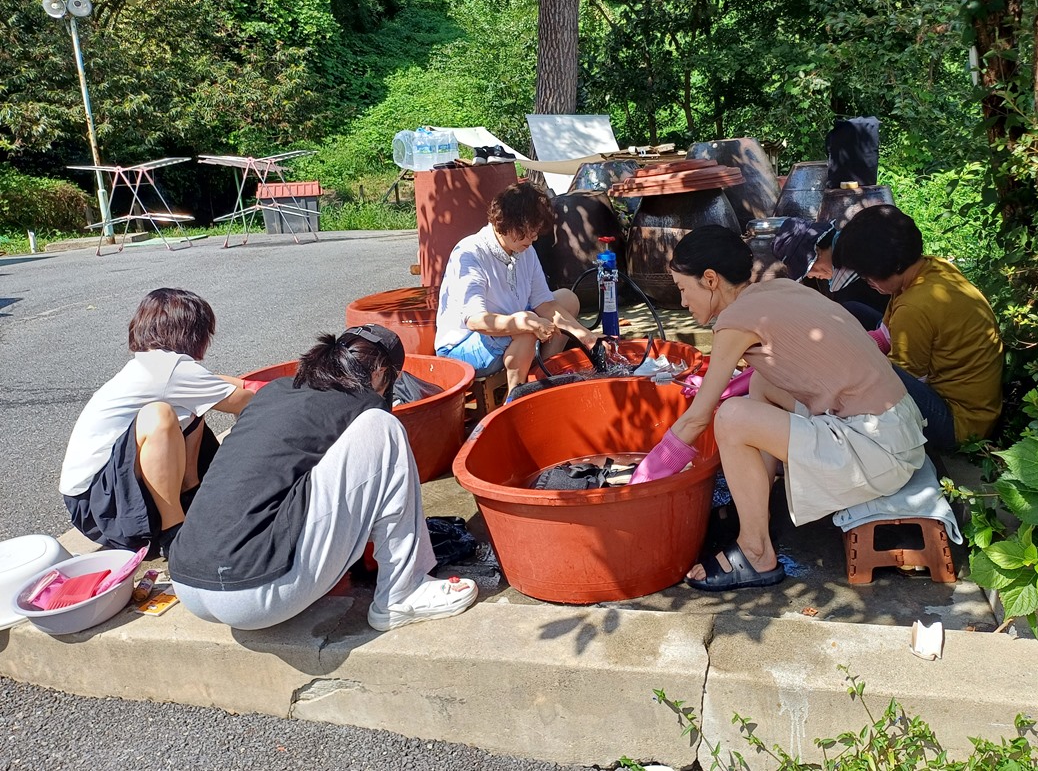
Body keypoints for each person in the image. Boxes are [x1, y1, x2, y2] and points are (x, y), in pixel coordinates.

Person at [635, 225, 927, 592]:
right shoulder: (780, 289)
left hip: (878, 451)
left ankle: (756, 552)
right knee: (762, 383)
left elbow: (697, 418)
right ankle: (755, 513)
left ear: (710, 279)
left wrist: (641, 483)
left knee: (731, 418)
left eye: (682, 288)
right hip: (895, 429)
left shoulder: (736, 321)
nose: (682, 302)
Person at [169, 324, 477, 631]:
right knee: (383, 427)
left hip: (187, 581)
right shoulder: (364, 403)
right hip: (253, 593)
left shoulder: (274, 392)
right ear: (381, 373)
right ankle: (402, 592)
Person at [59, 288, 257, 560]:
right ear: (193, 332)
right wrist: (276, 390)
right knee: (159, 416)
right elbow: (242, 401)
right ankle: (175, 533)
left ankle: (191, 497)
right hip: (99, 506)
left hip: (109, 493)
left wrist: (250, 384)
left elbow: (215, 384)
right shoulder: (169, 369)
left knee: (194, 407)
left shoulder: (158, 365)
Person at [832, 204, 1003, 451]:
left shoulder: (914, 307)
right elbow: (887, 333)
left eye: (868, 276)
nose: (868, 283)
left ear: (894, 266)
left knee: (870, 368)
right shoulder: (931, 268)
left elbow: (899, 384)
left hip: (958, 425)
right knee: (852, 311)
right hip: (971, 405)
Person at [435, 181, 605, 393]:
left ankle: (541, 376)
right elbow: (476, 321)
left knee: (566, 299)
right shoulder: (471, 253)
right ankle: (515, 393)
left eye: (536, 231)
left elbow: (545, 304)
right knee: (527, 324)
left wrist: (587, 338)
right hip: (462, 348)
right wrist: (523, 322)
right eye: (528, 230)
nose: (534, 238)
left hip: (505, 330)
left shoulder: (524, 250)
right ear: (506, 222)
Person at [772, 217, 890, 326]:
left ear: (817, 252)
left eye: (807, 269)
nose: (811, 276)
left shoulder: (864, 259)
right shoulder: (840, 277)